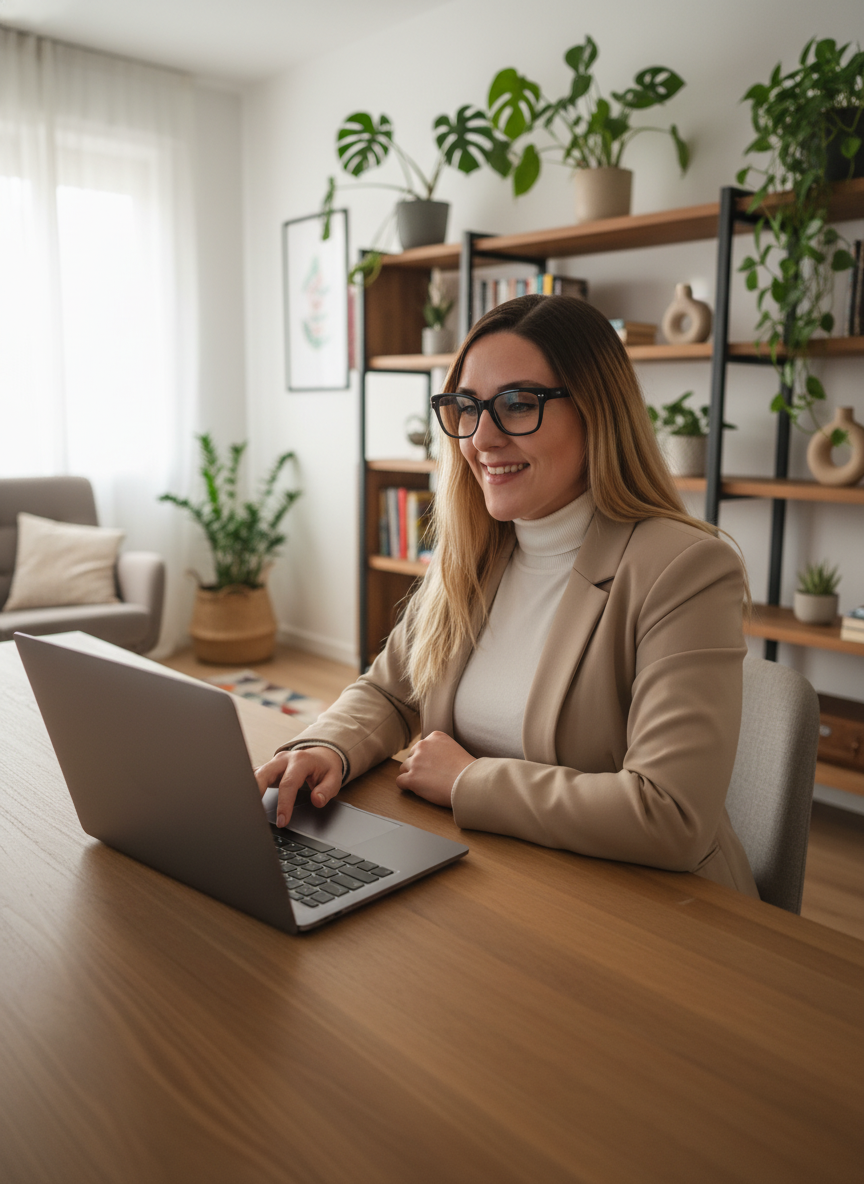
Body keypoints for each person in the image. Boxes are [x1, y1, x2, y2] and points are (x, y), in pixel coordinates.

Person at [254, 295, 759, 897]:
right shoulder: (477, 551)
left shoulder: (685, 569)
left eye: (518, 404)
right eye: (467, 407)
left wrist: (470, 782)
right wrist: (328, 745)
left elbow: (669, 813)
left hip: (649, 911)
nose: (482, 438)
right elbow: (392, 692)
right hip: (500, 880)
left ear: (598, 411)